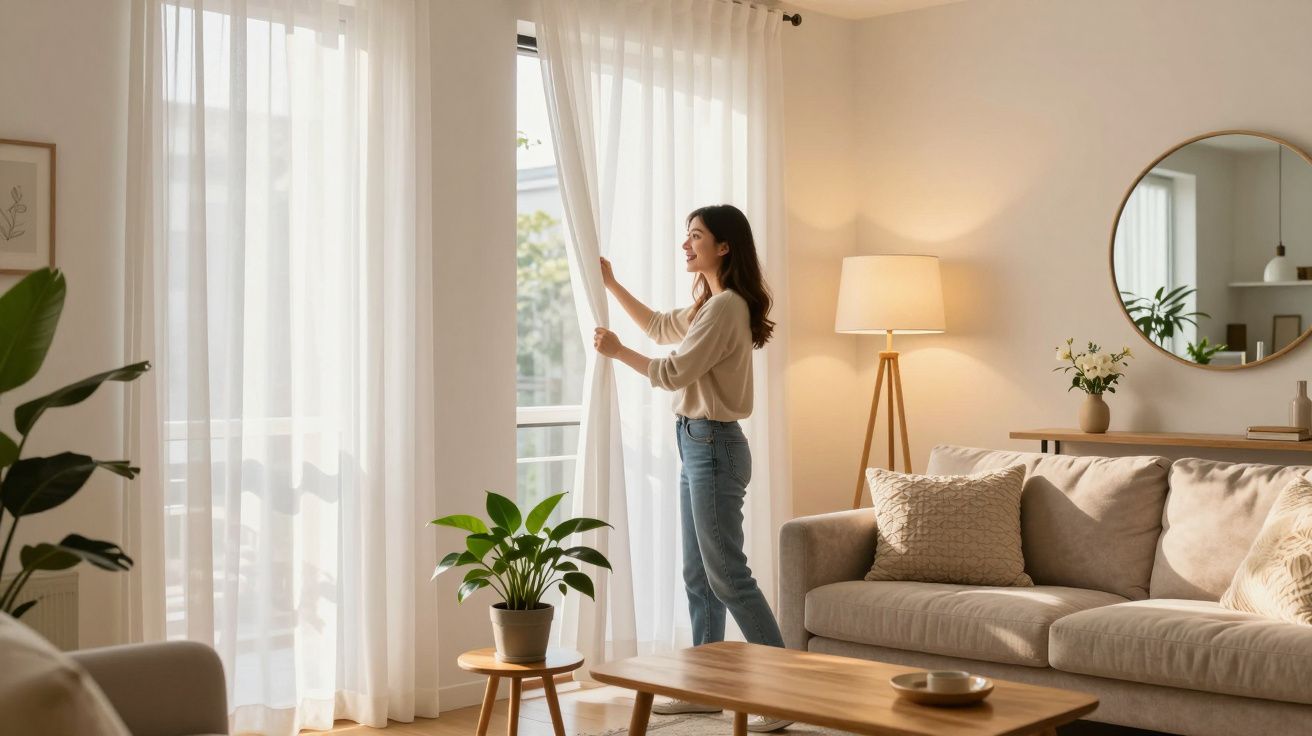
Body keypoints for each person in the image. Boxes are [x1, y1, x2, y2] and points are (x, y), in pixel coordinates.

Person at [593, 204, 791, 733]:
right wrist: (612, 285)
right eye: (687, 236)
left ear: (723, 246)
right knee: (699, 576)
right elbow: (661, 327)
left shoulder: (727, 306)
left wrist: (617, 352)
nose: (686, 245)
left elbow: (675, 370)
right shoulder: (709, 302)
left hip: (714, 446)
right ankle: (705, 689)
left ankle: (784, 690)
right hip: (695, 442)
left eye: (695, 236)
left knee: (727, 575)